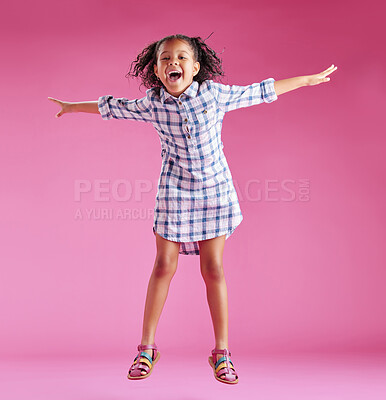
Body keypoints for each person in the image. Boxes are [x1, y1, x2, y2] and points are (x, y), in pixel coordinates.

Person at [48, 33, 337, 385]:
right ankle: (146, 348)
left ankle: (222, 353)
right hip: (174, 190)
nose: (174, 63)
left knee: (213, 268)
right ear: (156, 70)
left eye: (182, 57)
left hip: (214, 191)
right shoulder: (153, 103)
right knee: (163, 265)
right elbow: (113, 107)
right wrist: (73, 106)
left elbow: (262, 91)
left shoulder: (213, 95)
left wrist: (306, 79)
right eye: (166, 58)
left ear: (196, 67)